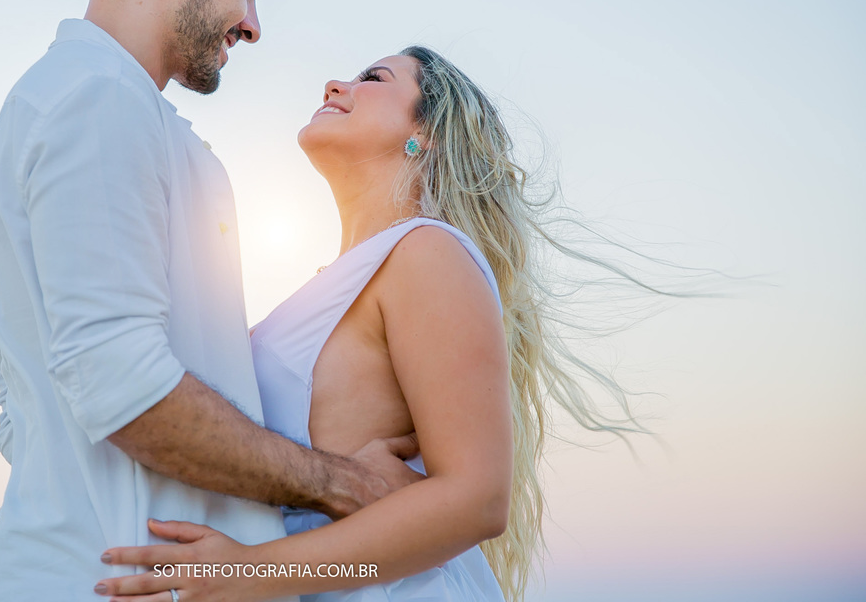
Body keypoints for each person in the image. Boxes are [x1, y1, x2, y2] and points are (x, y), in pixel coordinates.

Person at [0, 0, 422, 602]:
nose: (254, 23)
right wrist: (340, 484)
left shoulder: (95, 111)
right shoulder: (95, 100)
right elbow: (120, 384)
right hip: (103, 582)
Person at [96, 47, 649, 602]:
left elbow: (477, 498)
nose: (335, 84)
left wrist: (250, 573)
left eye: (374, 78)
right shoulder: (332, 284)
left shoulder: (427, 252)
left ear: (427, 133)